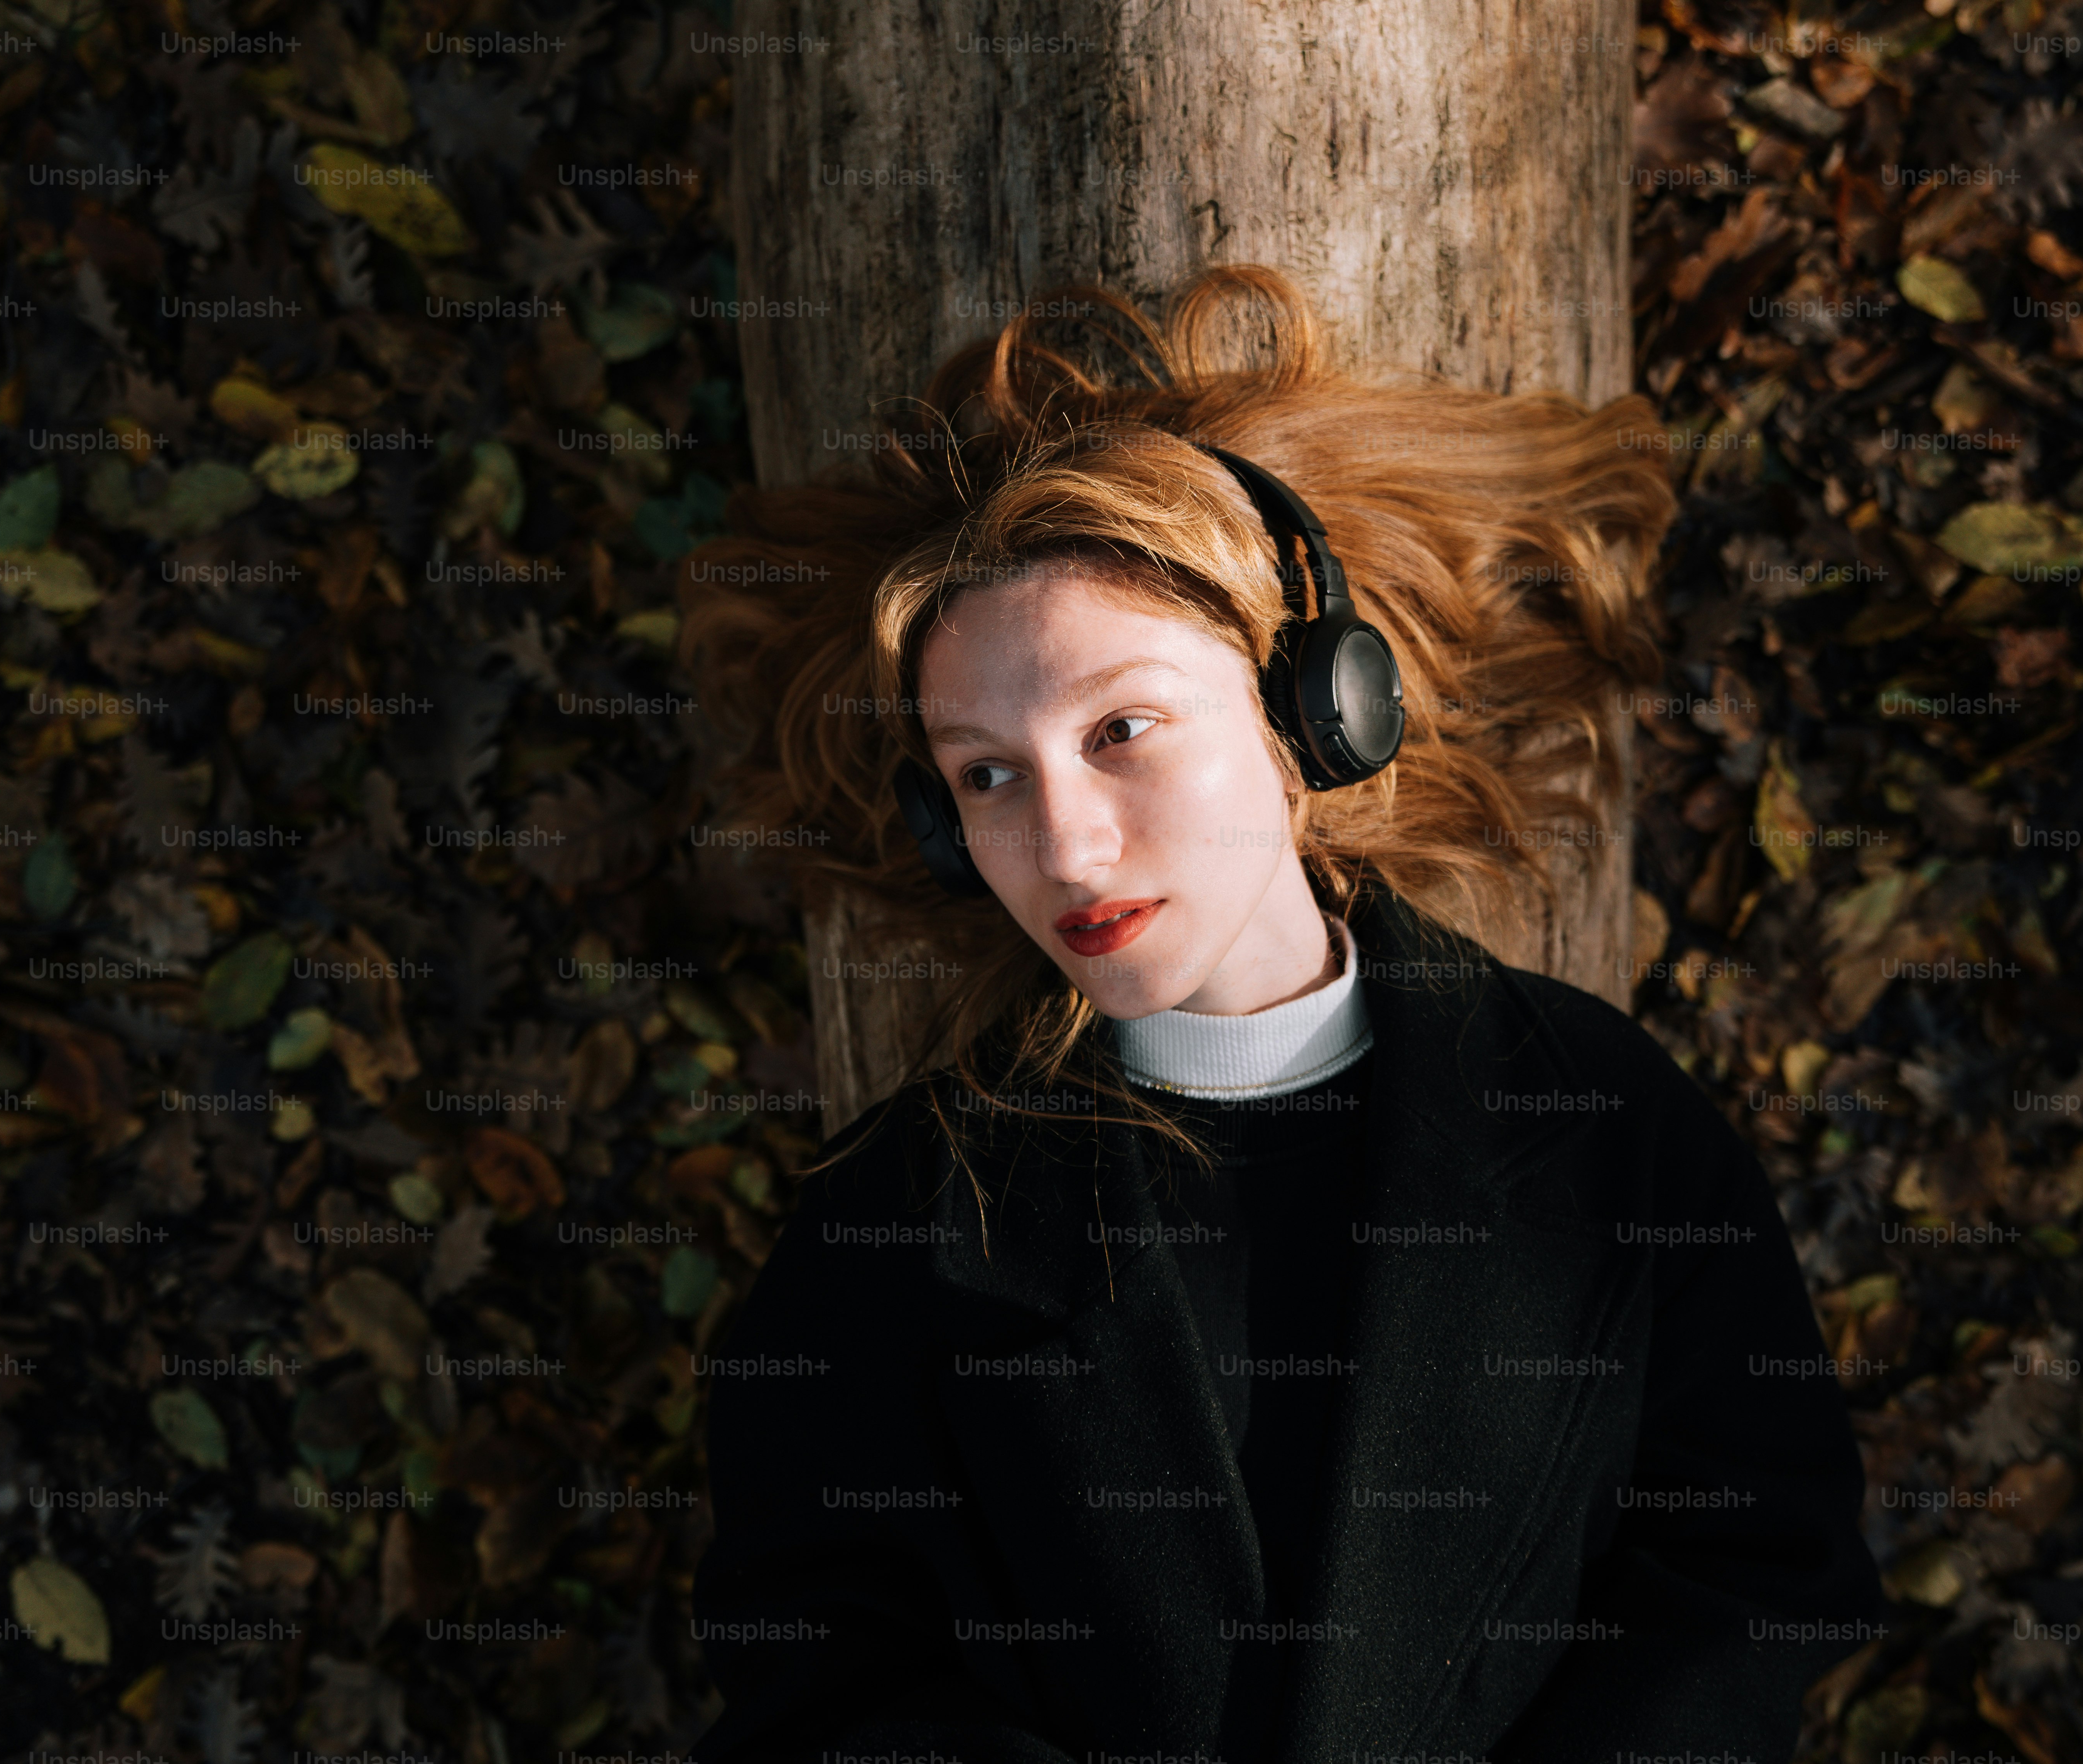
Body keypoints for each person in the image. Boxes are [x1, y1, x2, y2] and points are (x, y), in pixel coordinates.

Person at [675, 266, 1887, 1763]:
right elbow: (817, 1666)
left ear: (1314, 718)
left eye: (1123, 730)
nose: (1064, 844)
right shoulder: (890, 1224)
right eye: (987, 774)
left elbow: (1763, 1568)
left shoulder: (1598, 1124)